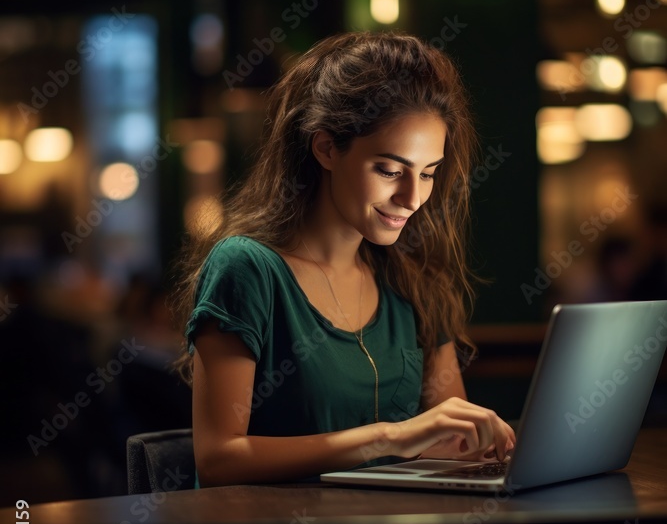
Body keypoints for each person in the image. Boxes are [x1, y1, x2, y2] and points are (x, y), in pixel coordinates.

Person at [173, 30, 515, 486]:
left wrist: (480, 444)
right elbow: (219, 458)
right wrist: (389, 438)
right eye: (391, 171)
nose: (413, 197)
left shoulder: (413, 280)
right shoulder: (247, 268)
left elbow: (451, 444)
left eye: (428, 173)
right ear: (327, 148)